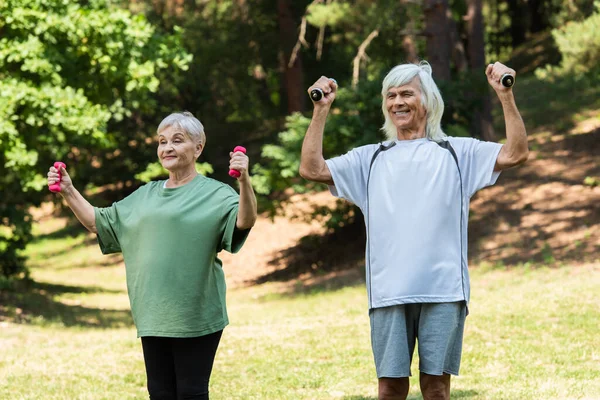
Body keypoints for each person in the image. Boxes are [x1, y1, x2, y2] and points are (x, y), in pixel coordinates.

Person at [299, 61, 528, 400]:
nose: (397, 102)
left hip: (445, 290)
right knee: (390, 389)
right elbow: (311, 168)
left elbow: (516, 153)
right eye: (390, 95)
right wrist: (321, 109)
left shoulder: (458, 151)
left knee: (436, 388)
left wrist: (505, 95)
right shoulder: (370, 158)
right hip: (389, 291)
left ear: (428, 101)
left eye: (407, 93)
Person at [47, 111, 257, 400]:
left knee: (191, 393)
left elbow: (245, 220)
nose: (167, 147)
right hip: (153, 314)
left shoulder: (216, 194)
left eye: (177, 140)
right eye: (162, 141)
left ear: (198, 148)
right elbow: (98, 221)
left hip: (194, 314)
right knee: (159, 393)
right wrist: (68, 191)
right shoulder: (145, 195)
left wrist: (244, 181)